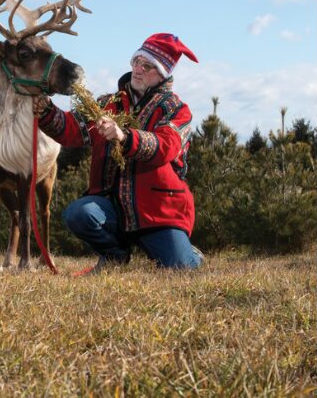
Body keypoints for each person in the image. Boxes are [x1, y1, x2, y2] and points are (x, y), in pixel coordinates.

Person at [34, 32, 203, 273]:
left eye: (148, 66)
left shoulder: (176, 110)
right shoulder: (107, 103)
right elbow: (74, 130)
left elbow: (165, 147)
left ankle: (187, 252)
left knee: (182, 268)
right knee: (78, 213)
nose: (138, 70)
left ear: (163, 74)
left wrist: (125, 137)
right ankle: (115, 255)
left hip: (158, 212)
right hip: (114, 208)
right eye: (136, 62)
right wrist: (47, 111)